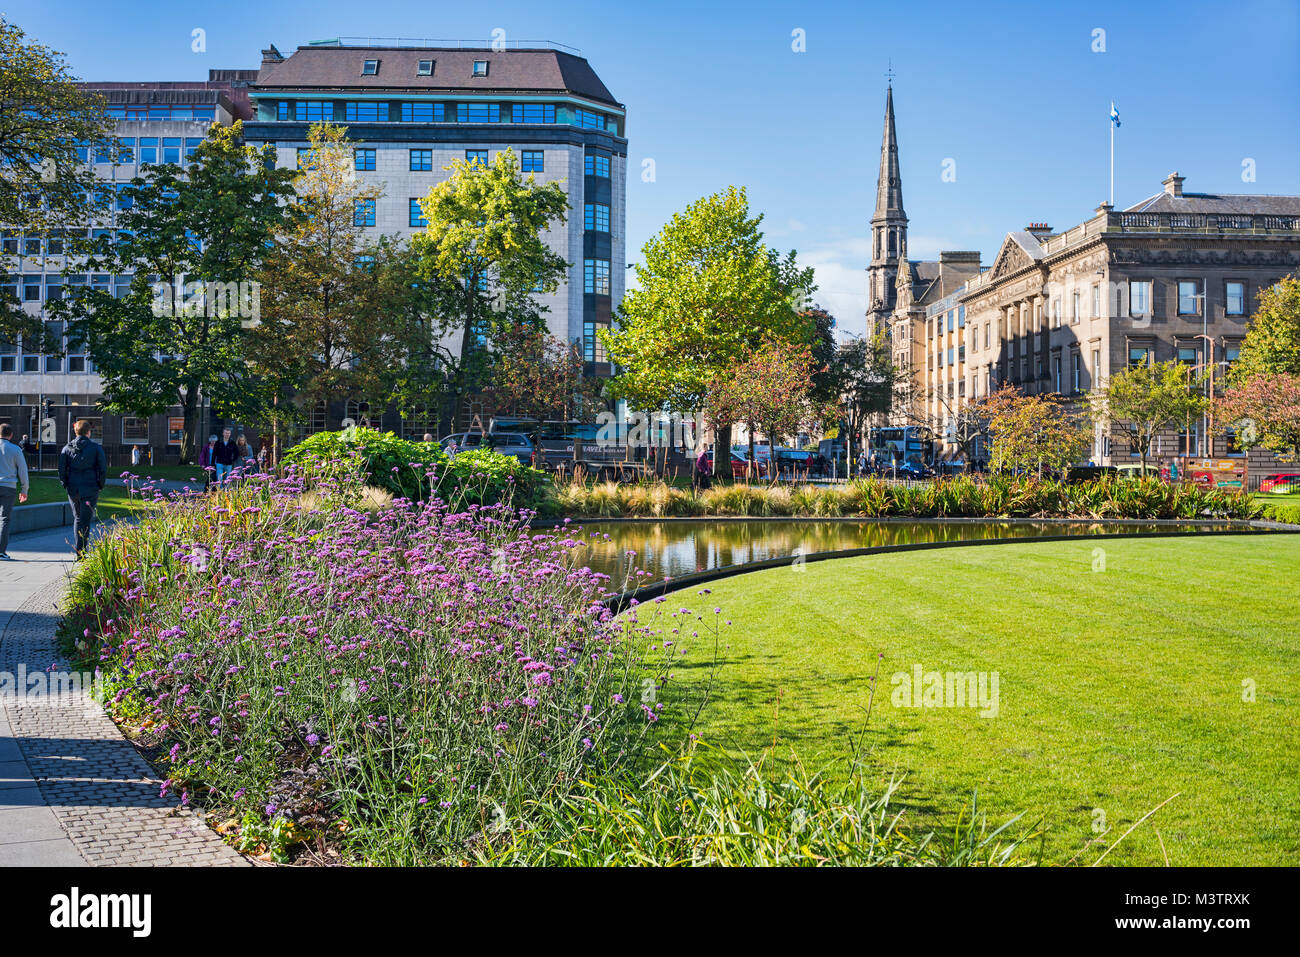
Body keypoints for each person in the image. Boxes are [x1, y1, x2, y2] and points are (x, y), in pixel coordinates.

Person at [58, 419, 106, 560]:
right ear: (88, 432)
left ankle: (80, 551)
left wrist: (65, 484)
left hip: (74, 488)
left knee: (78, 518)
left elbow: (61, 469)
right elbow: (102, 469)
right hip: (90, 487)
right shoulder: (96, 448)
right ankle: (82, 551)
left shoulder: (67, 448)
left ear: (75, 431)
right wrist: (100, 485)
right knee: (85, 519)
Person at [0, 423, 31, 561]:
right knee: (4, 519)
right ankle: (1, 551)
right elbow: (23, 471)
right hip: (8, 486)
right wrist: (24, 490)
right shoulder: (15, 449)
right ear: (11, 435)